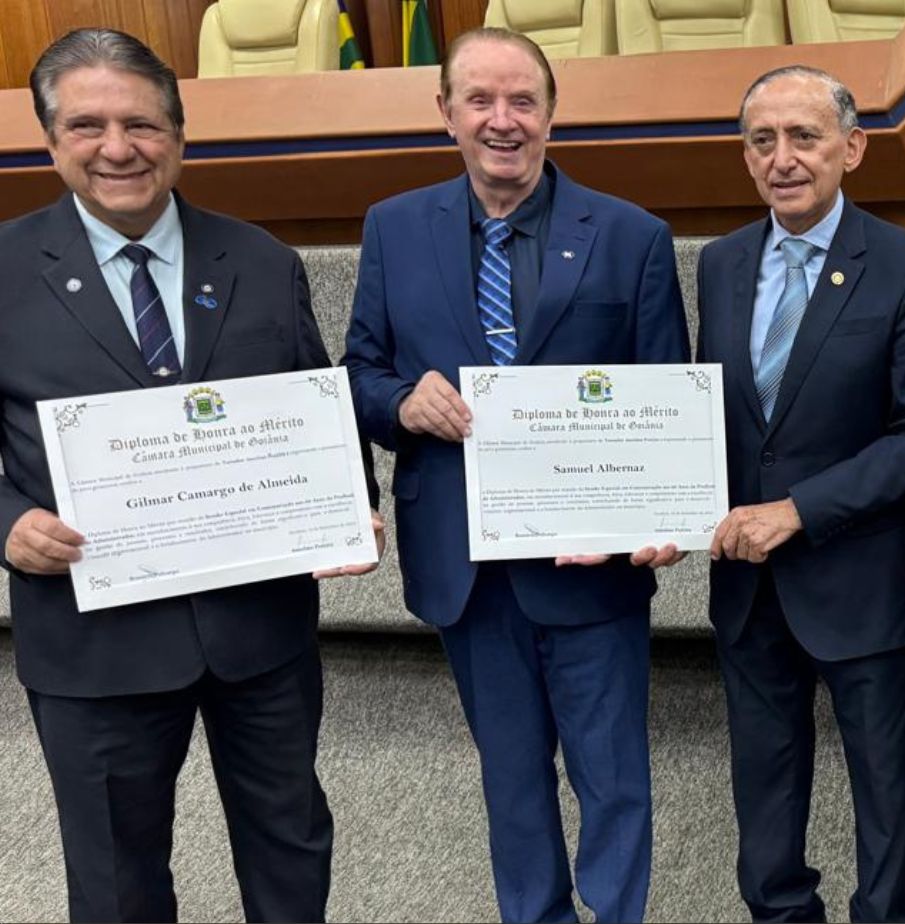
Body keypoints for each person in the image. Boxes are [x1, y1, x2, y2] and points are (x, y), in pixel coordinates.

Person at [0, 28, 382, 923]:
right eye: (88, 125)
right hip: (95, 641)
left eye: (141, 123)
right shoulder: (2, 270)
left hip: (260, 633)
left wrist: (346, 505)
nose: (118, 148)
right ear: (51, 140)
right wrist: (7, 522)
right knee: (117, 876)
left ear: (179, 133)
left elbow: (313, 406)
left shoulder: (259, 259)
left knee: (290, 843)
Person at [342, 26, 688, 924]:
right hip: (466, 563)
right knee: (510, 778)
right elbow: (360, 372)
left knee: (614, 779)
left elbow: (668, 393)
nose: (503, 121)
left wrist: (664, 517)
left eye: (523, 101)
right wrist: (400, 405)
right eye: (481, 101)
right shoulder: (391, 226)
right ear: (446, 113)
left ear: (551, 113)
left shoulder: (632, 235)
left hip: (592, 564)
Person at [694, 65, 905, 923]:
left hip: (861, 578)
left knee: (883, 787)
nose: (783, 158)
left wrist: (798, 511)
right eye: (762, 140)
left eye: (804, 137)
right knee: (763, 785)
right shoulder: (720, 263)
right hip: (747, 586)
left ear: (850, 148)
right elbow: (709, 419)